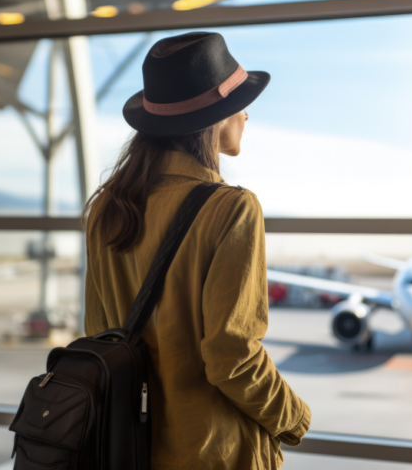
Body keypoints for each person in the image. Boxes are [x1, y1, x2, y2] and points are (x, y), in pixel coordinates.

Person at [82, 32, 311, 470]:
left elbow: (100, 335)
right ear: (217, 116)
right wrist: (294, 418)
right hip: (210, 451)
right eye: (241, 102)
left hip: (128, 448)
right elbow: (232, 357)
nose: (246, 114)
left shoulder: (106, 210)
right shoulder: (231, 209)